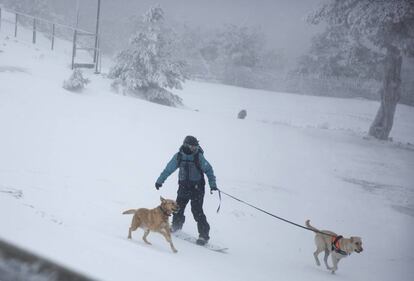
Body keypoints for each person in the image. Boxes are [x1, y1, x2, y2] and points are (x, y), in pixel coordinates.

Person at [155, 135, 218, 245]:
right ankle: (176, 227)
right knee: (177, 208)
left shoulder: (198, 157)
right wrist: (160, 181)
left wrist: (212, 184)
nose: (194, 149)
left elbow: (209, 170)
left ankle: (204, 236)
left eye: (195, 147)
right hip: (183, 187)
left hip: (197, 188)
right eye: (192, 147)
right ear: (186, 145)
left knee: (197, 211)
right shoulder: (179, 156)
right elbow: (168, 169)